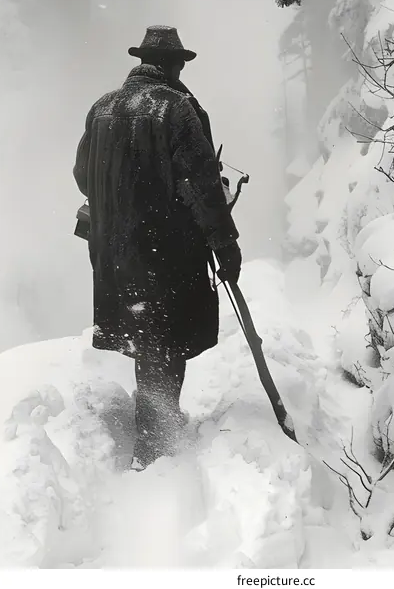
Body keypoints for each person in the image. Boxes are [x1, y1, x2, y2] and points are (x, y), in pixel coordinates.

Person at [73, 25, 242, 469]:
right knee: (166, 338)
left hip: (114, 250)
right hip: (167, 249)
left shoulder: (102, 108)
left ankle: (152, 426)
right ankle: (155, 443)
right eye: (180, 64)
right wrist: (225, 245)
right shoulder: (179, 109)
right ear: (171, 64)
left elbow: (82, 175)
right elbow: (203, 184)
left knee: (144, 334)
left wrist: (120, 199)